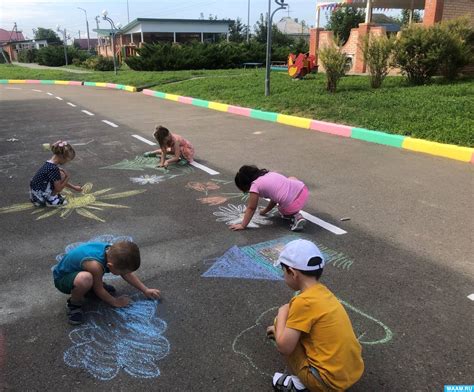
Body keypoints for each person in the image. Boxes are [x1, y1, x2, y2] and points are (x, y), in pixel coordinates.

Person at [267, 240, 364, 392]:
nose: (283, 274)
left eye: (283, 270)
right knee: (288, 327)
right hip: (352, 371)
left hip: (326, 382)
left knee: (281, 322)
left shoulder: (303, 302)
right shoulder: (323, 292)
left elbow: (284, 347)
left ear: (292, 273)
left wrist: (282, 312)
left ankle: (300, 385)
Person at [53, 241, 161, 325]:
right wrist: (115, 302)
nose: (125, 274)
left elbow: (126, 274)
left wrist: (145, 290)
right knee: (85, 279)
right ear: (110, 266)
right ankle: (74, 304)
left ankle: (88, 289)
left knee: (89, 279)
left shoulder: (113, 251)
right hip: (62, 279)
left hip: (78, 272)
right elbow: (99, 289)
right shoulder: (95, 265)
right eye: (122, 272)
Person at [230, 165, 308, 232]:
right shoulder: (270, 174)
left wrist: (243, 225)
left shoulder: (255, 185)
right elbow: (275, 197)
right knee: (291, 178)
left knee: (282, 210)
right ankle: (294, 210)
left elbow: (251, 208)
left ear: (246, 185)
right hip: (303, 190)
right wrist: (265, 211)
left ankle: (296, 216)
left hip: (292, 205)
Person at [30, 140, 82, 207]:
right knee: (62, 175)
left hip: (36, 193)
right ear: (61, 156)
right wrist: (67, 177)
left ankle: (51, 196)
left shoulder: (49, 164)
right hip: (40, 198)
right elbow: (58, 189)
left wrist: (74, 187)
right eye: (67, 160)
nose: (66, 162)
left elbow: (58, 181)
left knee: (61, 174)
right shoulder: (53, 169)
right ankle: (51, 200)